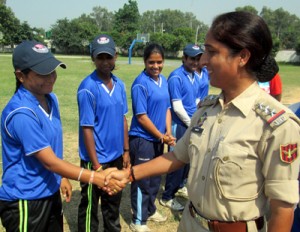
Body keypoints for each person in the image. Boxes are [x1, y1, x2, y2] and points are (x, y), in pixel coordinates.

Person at [107, 11, 300, 232]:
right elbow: (178, 155)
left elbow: (282, 209)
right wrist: (129, 174)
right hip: (190, 223)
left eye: (211, 52)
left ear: (243, 57)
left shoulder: (276, 126)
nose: (203, 60)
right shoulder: (206, 110)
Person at [0, 40, 124, 232]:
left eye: (53, 70)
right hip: (25, 201)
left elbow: (54, 150)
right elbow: (49, 161)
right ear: (20, 75)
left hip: (49, 193)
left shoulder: (51, 99)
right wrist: (97, 177)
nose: (51, 78)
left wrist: (61, 178)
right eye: (42, 73)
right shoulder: (22, 113)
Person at [77, 34, 130, 232]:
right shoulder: (87, 88)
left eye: (109, 57)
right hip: (95, 160)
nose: (105, 62)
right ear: (93, 58)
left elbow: (123, 119)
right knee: (90, 203)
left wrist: (125, 151)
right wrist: (96, 165)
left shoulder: (120, 85)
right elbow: (87, 129)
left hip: (116, 156)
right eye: (100, 57)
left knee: (113, 201)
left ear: (115, 56)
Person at [128, 43, 175, 232]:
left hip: (158, 138)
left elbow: (167, 108)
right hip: (142, 140)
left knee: (155, 177)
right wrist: (160, 136)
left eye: (159, 62)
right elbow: (141, 116)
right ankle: (138, 220)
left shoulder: (163, 80)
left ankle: (150, 209)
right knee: (142, 179)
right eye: (151, 62)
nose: (156, 66)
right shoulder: (140, 83)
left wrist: (168, 132)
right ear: (145, 62)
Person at [160, 44, 209, 211]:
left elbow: (195, 100)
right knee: (177, 161)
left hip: (190, 122)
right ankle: (167, 197)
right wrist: (192, 123)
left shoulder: (194, 75)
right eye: (192, 58)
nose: (195, 61)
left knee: (188, 158)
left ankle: (180, 185)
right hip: (180, 124)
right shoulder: (176, 77)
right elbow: (177, 107)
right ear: (184, 58)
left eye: (197, 58)